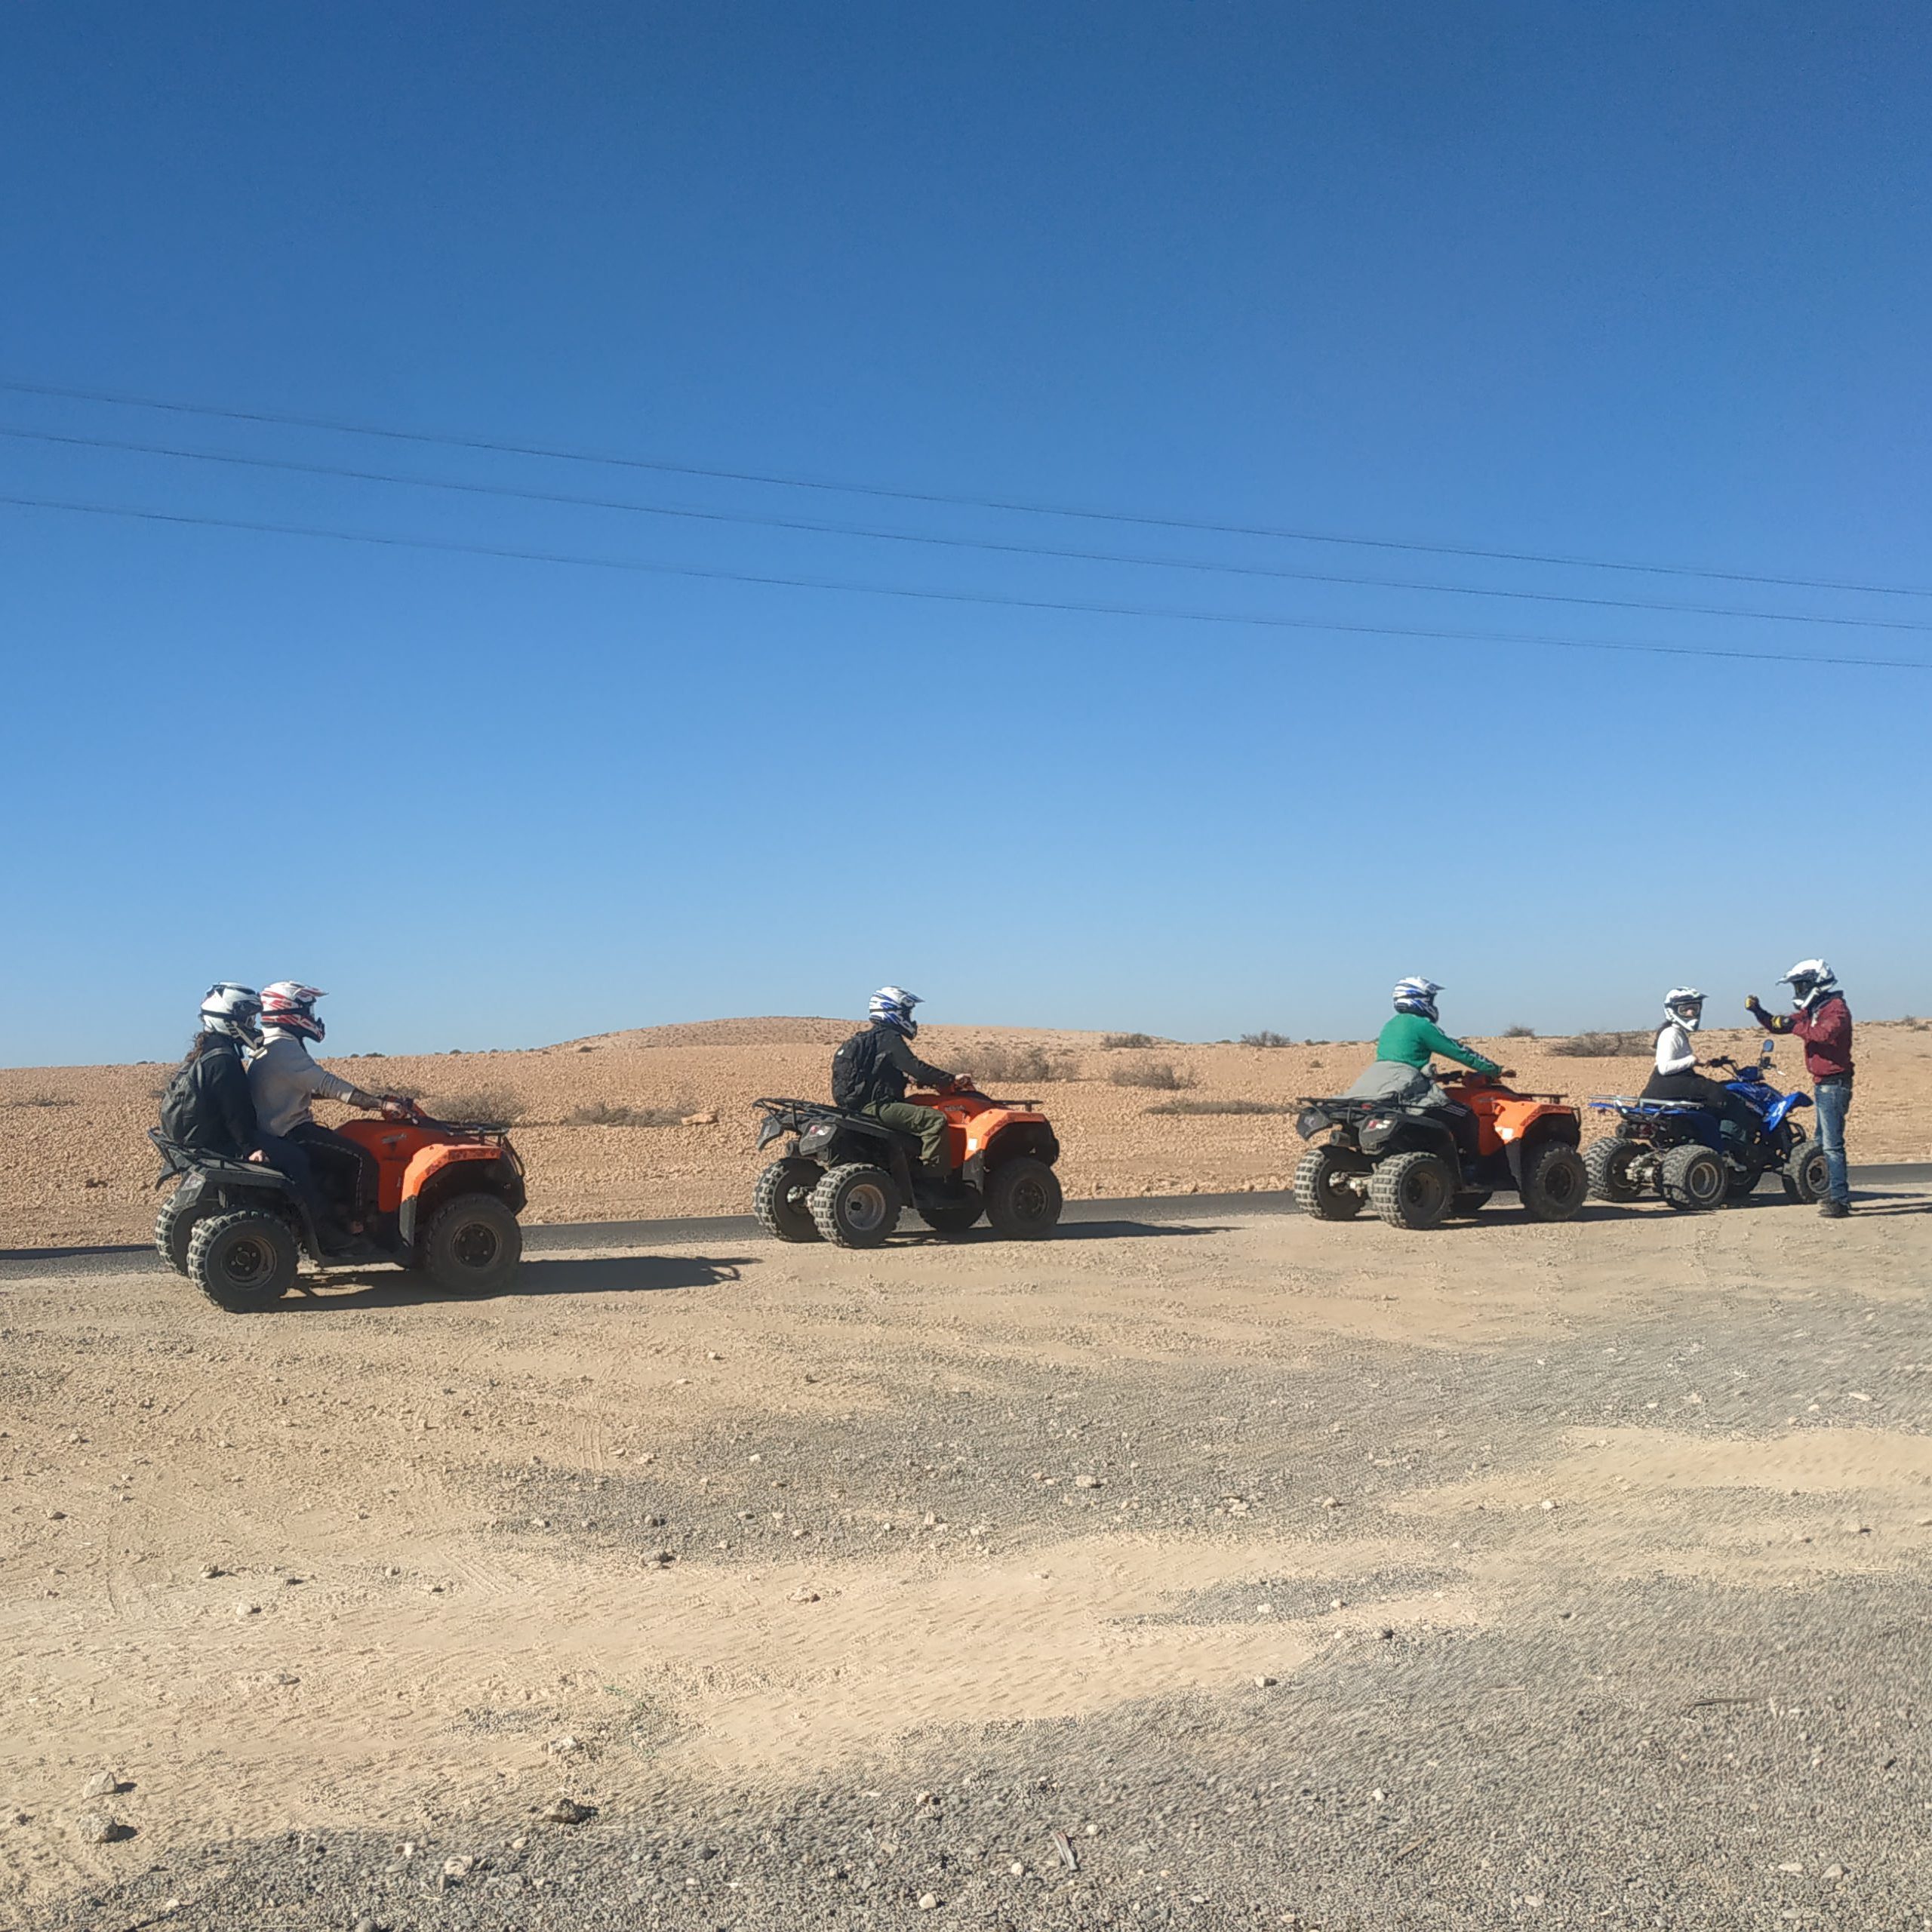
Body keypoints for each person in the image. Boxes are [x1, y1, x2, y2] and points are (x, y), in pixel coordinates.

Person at [155, 983, 346, 1244]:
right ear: (228, 1020)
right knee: (298, 1160)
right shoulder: (224, 1060)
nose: (251, 1024)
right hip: (220, 1141)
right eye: (246, 1019)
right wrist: (249, 1148)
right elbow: (235, 1113)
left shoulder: (211, 1049)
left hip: (201, 1138)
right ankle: (323, 1231)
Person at [248, 981, 405, 1244]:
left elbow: (304, 1085)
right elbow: (327, 1084)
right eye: (307, 1009)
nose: (311, 1017)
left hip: (275, 1130)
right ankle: (357, 1227)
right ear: (289, 1011)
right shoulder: (284, 1049)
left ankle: (339, 1213)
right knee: (361, 1158)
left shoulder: (270, 1044)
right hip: (291, 1132)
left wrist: (364, 1099)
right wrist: (381, 1104)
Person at [1748, 959, 1854, 1218]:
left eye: (1801, 985)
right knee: (1821, 1142)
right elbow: (1780, 1024)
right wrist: (1760, 1012)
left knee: (1831, 1145)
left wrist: (1792, 1025)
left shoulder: (1835, 1009)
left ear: (1816, 983)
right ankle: (1827, 1192)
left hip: (1835, 1083)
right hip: (1823, 1083)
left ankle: (1839, 1199)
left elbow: (1822, 1035)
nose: (1798, 992)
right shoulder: (1814, 1009)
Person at [829, 987, 965, 1178]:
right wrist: (950, 1079)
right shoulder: (889, 1037)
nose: (909, 1019)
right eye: (906, 1013)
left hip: (856, 1108)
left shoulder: (865, 1039)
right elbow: (915, 1067)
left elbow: (878, 1073)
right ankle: (935, 1179)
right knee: (935, 1121)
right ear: (893, 1012)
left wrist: (907, 1079)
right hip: (879, 1107)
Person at [1640, 986, 1758, 1163]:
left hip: (1667, 1085)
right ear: (1672, 1011)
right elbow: (1665, 1067)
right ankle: (1729, 1150)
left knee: (1711, 1102)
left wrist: (1703, 1062)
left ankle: (1704, 1139)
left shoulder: (1676, 1032)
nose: (1691, 1012)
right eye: (1685, 1009)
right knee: (1731, 1100)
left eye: (1694, 1008)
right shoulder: (1671, 1033)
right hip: (1672, 1083)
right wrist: (1692, 1060)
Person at [1346, 977, 1502, 1109]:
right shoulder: (1422, 1025)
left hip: (1374, 1082)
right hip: (1404, 1083)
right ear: (1421, 1000)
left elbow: (1402, 1058)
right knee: (1463, 1114)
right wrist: (1494, 1069)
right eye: (1431, 1000)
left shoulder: (1390, 1024)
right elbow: (1460, 1052)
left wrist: (1437, 1077)